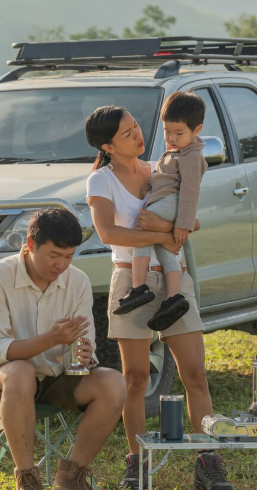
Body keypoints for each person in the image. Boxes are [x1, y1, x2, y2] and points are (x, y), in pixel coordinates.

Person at [85, 105, 235, 490]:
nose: (138, 135)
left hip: (174, 279)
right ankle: (137, 463)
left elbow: (192, 220)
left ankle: (208, 461)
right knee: (135, 379)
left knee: (195, 375)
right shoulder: (100, 181)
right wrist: (163, 235)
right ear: (108, 146)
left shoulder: (161, 167)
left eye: (136, 126)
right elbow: (109, 233)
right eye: (127, 133)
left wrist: (164, 228)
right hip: (130, 281)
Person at [0, 208, 126, 490]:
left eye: (69, 257)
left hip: (55, 375)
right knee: (20, 372)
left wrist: (83, 355)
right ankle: (27, 479)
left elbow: (83, 344)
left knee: (114, 382)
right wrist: (51, 339)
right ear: (30, 244)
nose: (61, 265)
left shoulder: (78, 281)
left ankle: (70, 478)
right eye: (54, 255)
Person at [114, 91, 208, 333]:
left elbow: (190, 192)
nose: (171, 138)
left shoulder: (191, 156)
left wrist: (183, 224)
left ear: (196, 130)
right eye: (167, 131)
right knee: (165, 249)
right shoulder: (178, 151)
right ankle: (174, 297)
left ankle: (138, 287)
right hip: (168, 201)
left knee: (142, 231)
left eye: (179, 133)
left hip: (171, 201)